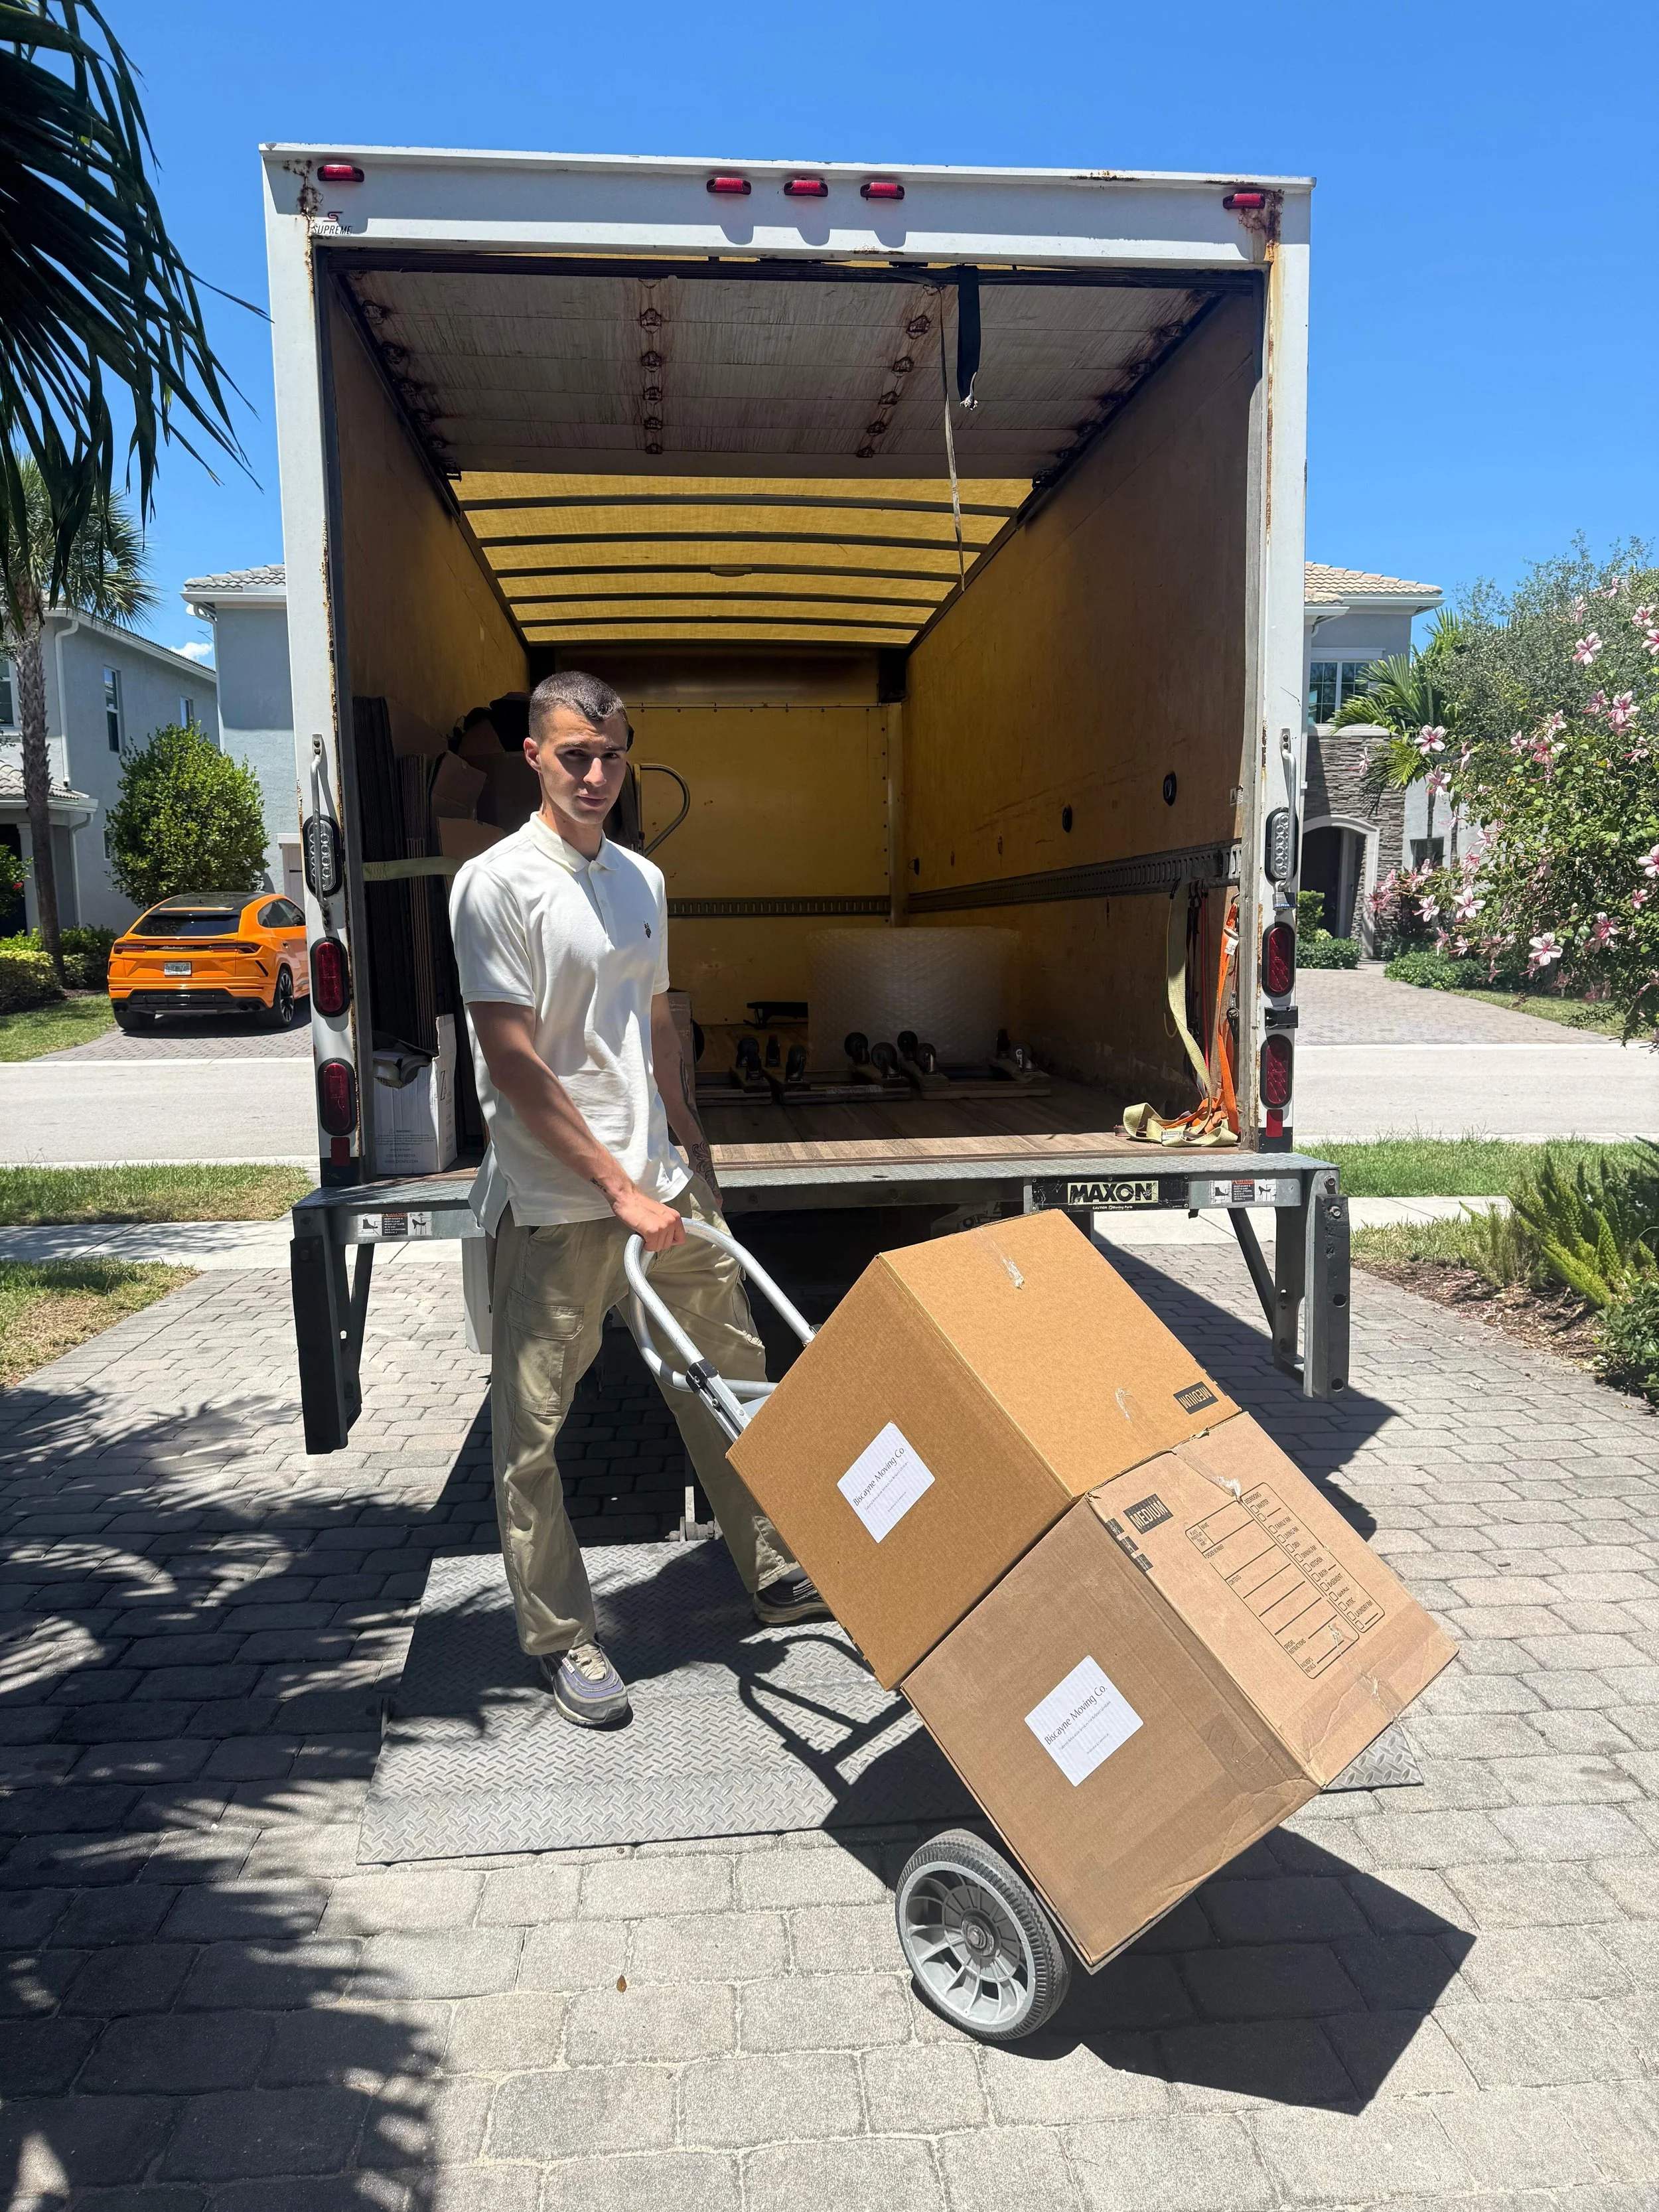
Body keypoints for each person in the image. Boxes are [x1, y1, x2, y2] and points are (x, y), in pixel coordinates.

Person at [449, 668, 827, 1727]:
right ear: (534, 755)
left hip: (663, 1192)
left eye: (612, 755)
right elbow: (515, 1061)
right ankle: (565, 1639)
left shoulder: (641, 881)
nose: (597, 774)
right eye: (575, 755)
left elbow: (656, 1021)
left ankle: (772, 1566)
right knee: (532, 1434)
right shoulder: (495, 885)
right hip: (564, 1203)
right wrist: (615, 1185)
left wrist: (690, 1140)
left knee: (733, 1384)